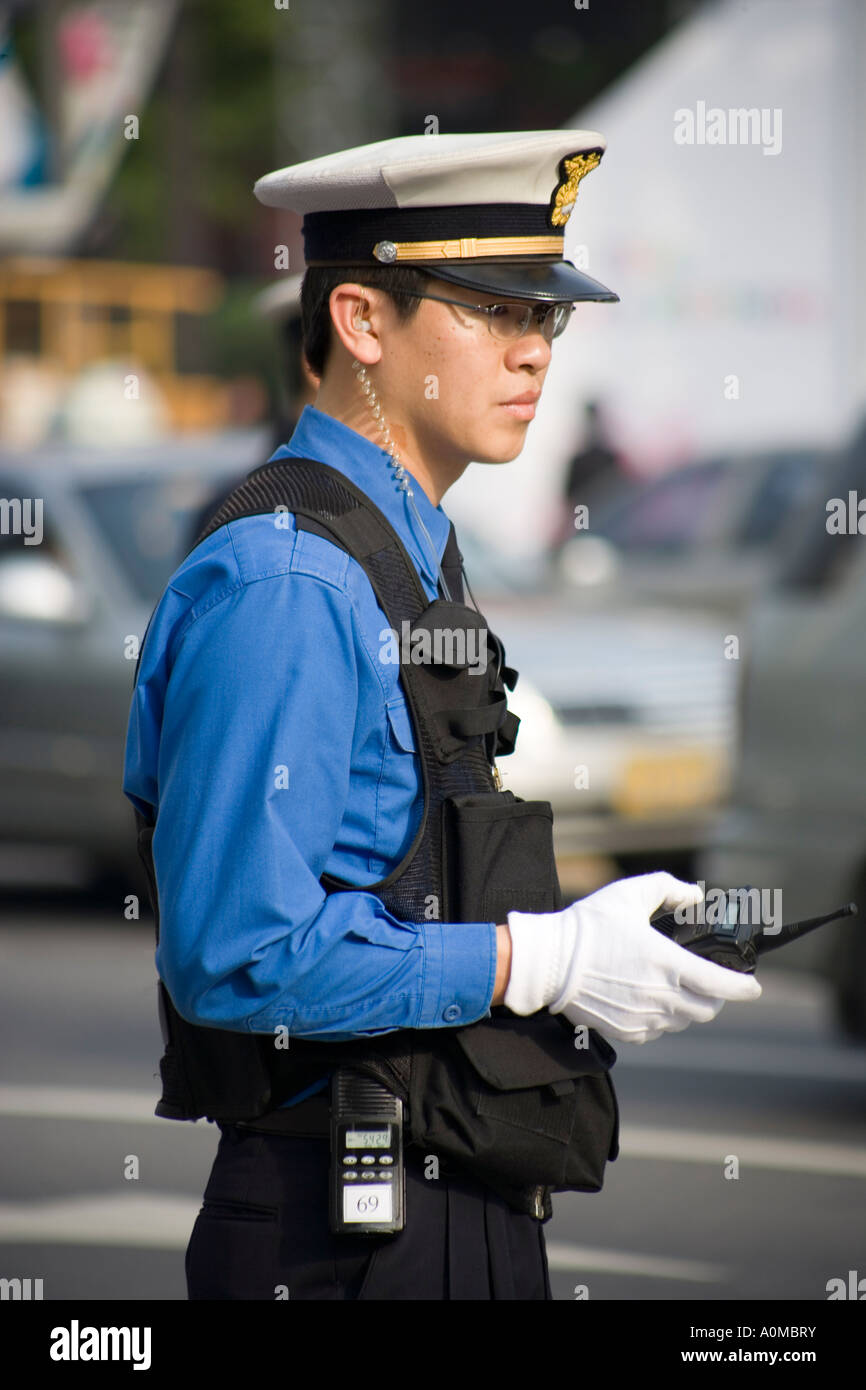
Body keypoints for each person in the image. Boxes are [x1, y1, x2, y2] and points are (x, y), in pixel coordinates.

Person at [123, 130, 762, 1302]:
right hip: (344, 1232)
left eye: (546, 320)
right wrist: (541, 959)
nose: (533, 354)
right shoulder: (289, 583)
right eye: (487, 311)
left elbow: (400, 869)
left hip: (442, 1200)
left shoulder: (408, 546)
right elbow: (238, 954)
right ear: (362, 323)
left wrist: (591, 935)